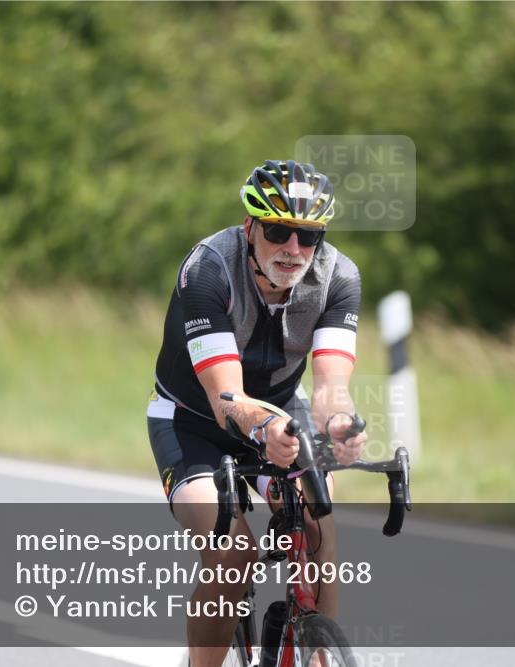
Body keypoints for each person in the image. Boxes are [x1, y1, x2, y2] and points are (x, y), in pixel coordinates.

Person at [147, 159, 367, 666]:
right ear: (250, 228)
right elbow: (228, 399)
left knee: (319, 527)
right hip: (193, 419)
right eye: (278, 231)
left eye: (307, 236)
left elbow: (332, 386)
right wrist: (265, 427)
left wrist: (339, 424)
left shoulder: (339, 277)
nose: (293, 250)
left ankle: (316, 655)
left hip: (283, 411)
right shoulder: (208, 268)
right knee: (232, 554)